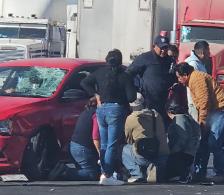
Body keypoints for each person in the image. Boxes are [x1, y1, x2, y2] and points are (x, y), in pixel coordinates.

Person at [81, 49, 137, 185]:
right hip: (116, 110)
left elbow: (84, 82)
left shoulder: (99, 72)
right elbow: (131, 97)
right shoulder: (124, 75)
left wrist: (95, 95)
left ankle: (104, 173)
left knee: (104, 143)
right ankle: (108, 174)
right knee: (112, 144)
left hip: (101, 109)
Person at [175, 62, 224, 182]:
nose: (178, 79)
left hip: (218, 110)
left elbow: (204, 102)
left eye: (178, 77)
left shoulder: (196, 79)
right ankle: (200, 172)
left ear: (185, 75)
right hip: (213, 111)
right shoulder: (193, 79)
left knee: (214, 142)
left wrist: (202, 123)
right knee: (205, 143)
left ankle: (220, 172)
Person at [126, 34, 176, 128]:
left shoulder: (169, 60)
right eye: (161, 48)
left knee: (161, 128)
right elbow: (129, 73)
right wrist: (134, 91)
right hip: (147, 100)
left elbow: (173, 77)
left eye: (165, 48)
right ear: (154, 46)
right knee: (148, 127)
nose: (163, 50)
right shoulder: (145, 58)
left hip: (163, 102)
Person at [122, 93, 169, 183]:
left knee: (124, 149)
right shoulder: (156, 114)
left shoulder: (131, 118)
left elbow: (128, 139)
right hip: (161, 155)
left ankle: (137, 174)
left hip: (144, 155)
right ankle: (153, 167)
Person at [165, 95, 201, 183]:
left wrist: (173, 150)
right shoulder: (189, 118)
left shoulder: (179, 119)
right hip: (191, 152)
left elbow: (182, 138)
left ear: (170, 111)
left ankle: (182, 174)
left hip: (183, 153)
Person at [68, 97, 101, 181]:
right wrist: (101, 153)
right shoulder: (95, 114)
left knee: (89, 169)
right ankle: (64, 171)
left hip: (73, 145)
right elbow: (95, 137)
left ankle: (66, 171)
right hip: (83, 149)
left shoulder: (86, 112)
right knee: (92, 174)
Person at [185, 40, 211, 122]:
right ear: (203, 52)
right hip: (195, 103)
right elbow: (196, 86)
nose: (209, 53)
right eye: (208, 50)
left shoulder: (200, 63)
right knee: (196, 128)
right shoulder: (193, 64)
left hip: (200, 102)